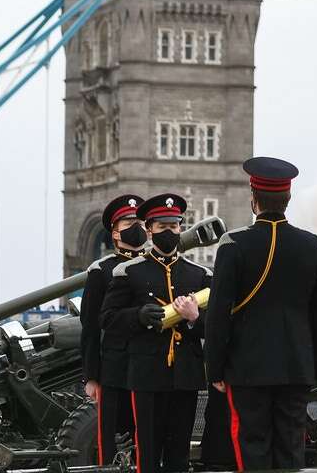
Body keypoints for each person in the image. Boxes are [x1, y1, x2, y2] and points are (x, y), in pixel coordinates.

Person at [205, 157, 317, 471]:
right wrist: (313, 366)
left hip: (247, 369)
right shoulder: (311, 245)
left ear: (254, 199)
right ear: (287, 199)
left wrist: (216, 370)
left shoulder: (234, 244)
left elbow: (218, 314)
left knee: (252, 449)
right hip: (296, 368)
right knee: (291, 449)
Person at [101, 195, 210, 473]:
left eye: (174, 227)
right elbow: (108, 318)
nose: (169, 233)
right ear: (149, 230)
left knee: (179, 456)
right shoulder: (130, 272)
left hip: (185, 375)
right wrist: (137, 315)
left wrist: (194, 318)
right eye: (162, 228)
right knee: (147, 454)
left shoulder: (198, 274)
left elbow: (217, 323)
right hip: (147, 374)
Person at [79, 194, 146, 465]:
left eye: (140, 221)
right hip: (113, 367)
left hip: (148, 366)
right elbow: (91, 327)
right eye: (129, 221)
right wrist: (92, 376)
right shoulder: (102, 270)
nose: (136, 226)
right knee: (109, 440)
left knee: (147, 438)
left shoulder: (156, 267)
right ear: (115, 233)